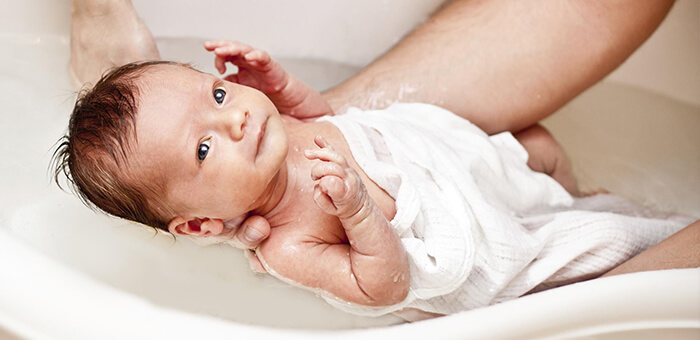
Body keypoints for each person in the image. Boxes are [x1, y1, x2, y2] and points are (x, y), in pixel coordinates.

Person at [67, 0, 699, 316]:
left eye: (219, 92)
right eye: (205, 148)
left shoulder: (271, 125)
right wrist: (360, 211)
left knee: (537, 147)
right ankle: (593, 300)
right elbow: (382, 287)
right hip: (474, 252)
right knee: (587, 250)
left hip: (470, 180)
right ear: (203, 224)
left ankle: (568, 199)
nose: (235, 118)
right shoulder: (286, 244)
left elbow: (328, 121)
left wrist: (284, 90)